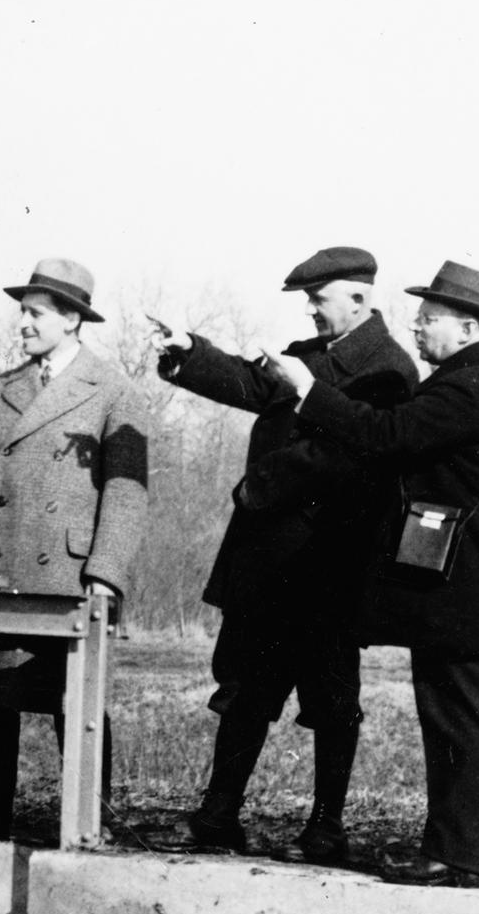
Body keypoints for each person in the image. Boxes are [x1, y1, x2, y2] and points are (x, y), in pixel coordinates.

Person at [263, 260, 479, 887]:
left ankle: (457, 855)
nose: (416, 328)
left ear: (468, 327)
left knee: (455, 720)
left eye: (429, 318)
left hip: (457, 590)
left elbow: (383, 433)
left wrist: (311, 390)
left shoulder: (465, 388)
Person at [135, 247, 419, 861]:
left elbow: (355, 457)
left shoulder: (391, 372)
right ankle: (218, 817)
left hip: (330, 569)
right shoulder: (313, 357)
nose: (313, 312)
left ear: (360, 300)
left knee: (332, 701)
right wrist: (189, 349)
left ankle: (326, 828)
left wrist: (265, 483)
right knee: (247, 691)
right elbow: (251, 381)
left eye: (320, 301)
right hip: (268, 565)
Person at [0, 257, 152, 840]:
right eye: (22, 311)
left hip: (69, 575)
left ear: (72, 320)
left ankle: (88, 819)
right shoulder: (3, 388)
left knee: (76, 703)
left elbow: (127, 490)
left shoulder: (114, 390)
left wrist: (107, 571)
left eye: (36, 313)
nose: (22, 322)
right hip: (2, 566)